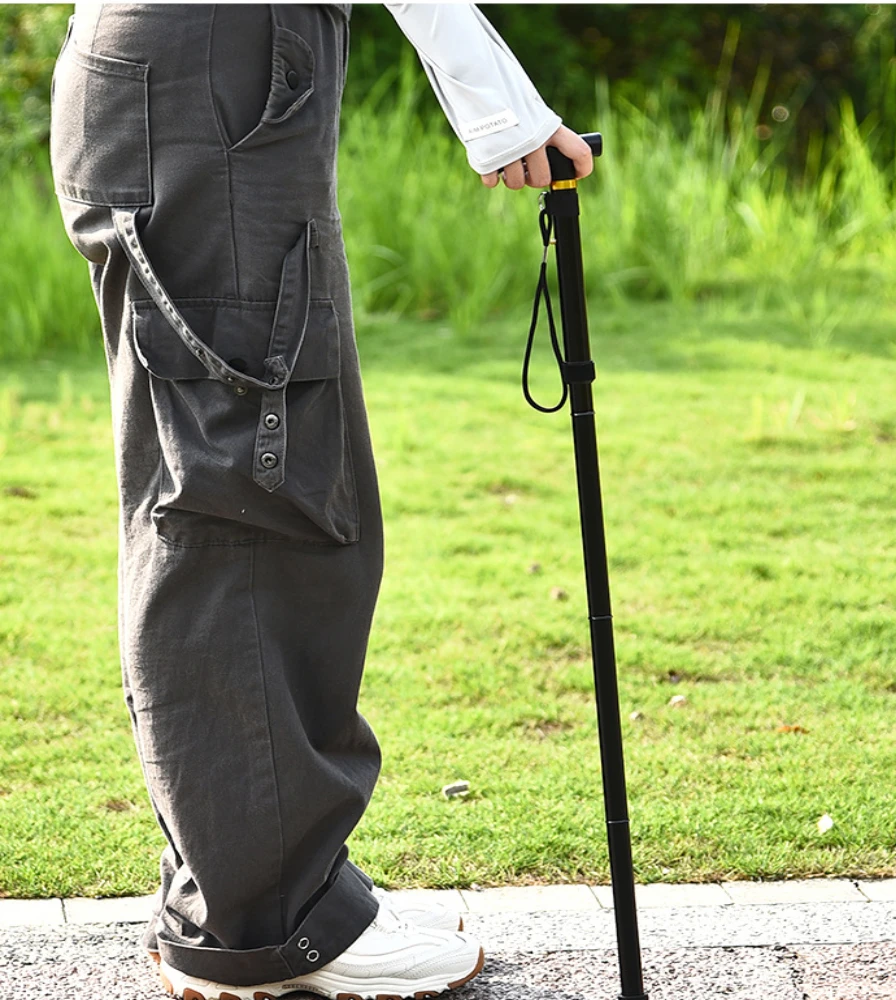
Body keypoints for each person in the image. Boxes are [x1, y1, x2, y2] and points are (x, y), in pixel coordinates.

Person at [49, 5, 592, 1000]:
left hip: (196, 77)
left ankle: (247, 895)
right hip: (224, 76)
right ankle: (271, 923)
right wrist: (501, 108)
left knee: (231, 488)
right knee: (253, 498)